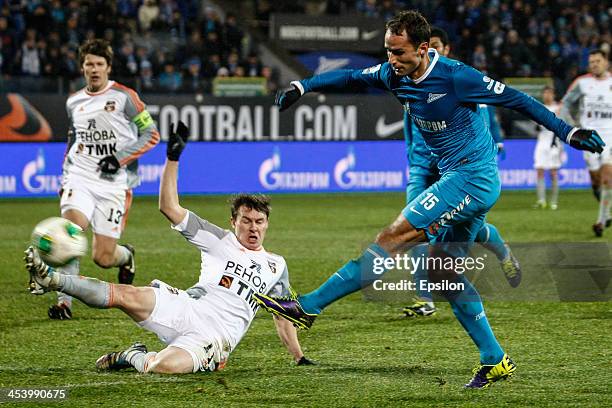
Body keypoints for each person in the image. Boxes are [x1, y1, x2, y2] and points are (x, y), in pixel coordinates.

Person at [252, 10, 604, 388]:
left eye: (399, 52)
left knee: (391, 240)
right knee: (443, 272)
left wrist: (568, 133)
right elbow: (350, 76)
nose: (391, 60)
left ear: (422, 49)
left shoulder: (456, 76)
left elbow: (518, 100)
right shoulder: (393, 73)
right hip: (458, 177)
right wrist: (302, 87)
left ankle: (308, 306)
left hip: (471, 177)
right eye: (387, 50)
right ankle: (495, 358)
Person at [24, 122, 312, 373]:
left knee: (163, 367)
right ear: (232, 222)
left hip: (215, 338)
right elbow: (169, 207)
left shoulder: (276, 265)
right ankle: (52, 279)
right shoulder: (217, 239)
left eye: (259, 221)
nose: (253, 227)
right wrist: (173, 157)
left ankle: (132, 355)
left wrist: (298, 357)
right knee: (127, 294)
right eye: (246, 221)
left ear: (267, 224)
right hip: (187, 306)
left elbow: (282, 314)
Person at [37, 39, 161, 320]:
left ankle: (126, 255)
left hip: (114, 184)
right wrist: (65, 174)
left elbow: (151, 135)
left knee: (103, 258)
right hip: (79, 176)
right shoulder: (74, 101)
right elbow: (74, 139)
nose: (94, 69)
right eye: (89, 64)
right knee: (70, 231)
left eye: (99, 64)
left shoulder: (125, 97)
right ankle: (64, 302)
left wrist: (118, 158)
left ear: (108, 67)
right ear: (82, 67)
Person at [402, 27, 521, 318]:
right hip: (422, 167)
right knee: (414, 228)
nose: (432, 53)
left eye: (437, 47)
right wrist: (412, 156)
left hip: (457, 168)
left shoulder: (461, 82)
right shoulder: (410, 83)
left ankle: (502, 251)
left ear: (445, 49)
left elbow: (482, 119)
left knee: (471, 229)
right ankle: (424, 297)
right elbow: (408, 124)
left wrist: (493, 146)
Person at [560, 49, 612, 237]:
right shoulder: (582, 83)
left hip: (611, 136)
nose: (594, 65)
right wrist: (573, 127)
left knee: (608, 178)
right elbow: (565, 104)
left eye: (597, 61)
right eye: (591, 62)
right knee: (596, 182)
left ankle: (600, 221)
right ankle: (606, 213)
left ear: (606, 62)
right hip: (590, 138)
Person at [533, 85, 565, 210]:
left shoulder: (558, 108)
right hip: (541, 142)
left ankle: (553, 202)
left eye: (549, 93)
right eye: (545, 93)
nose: (547, 96)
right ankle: (541, 200)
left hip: (554, 143)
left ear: (553, 95)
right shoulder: (539, 108)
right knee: (539, 170)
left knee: (553, 172)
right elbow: (536, 127)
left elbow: (563, 126)